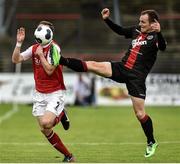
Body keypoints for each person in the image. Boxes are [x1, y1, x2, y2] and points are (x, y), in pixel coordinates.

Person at [53, 8, 167, 158]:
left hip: (136, 78)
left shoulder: (155, 37)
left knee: (140, 114)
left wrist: (159, 32)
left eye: (143, 22)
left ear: (153, 23)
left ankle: (151, 141)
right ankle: (62, 60)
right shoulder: (136, 30)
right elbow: (120, 31)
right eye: (140, 21)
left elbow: (163, 47)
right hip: (121, 68)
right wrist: (107, 19)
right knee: (93, 65)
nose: (140, 23)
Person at [12, 21, 75, 162]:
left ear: (49, 33)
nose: (39, 30)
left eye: (42, 28)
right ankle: (69, 156)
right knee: (45, 129)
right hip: (39, 93)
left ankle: (61, 113)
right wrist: (18, 44)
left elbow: (50, 70)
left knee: (47, 123)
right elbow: (16, 59)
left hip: (55, 92)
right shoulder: (34, 48)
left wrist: (40, 56)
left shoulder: (55, 49)